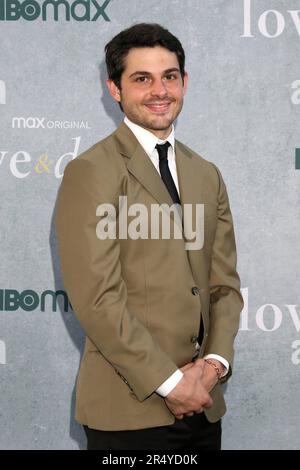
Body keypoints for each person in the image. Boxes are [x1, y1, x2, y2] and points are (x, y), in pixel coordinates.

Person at [55, 23, 244, 450]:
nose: (160, 90)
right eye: (142, 78)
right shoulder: (92, 171)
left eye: (170, 76)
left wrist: (212, 367)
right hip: (128, 414)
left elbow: (224, 287)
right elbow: (98, 298)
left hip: (203, 404)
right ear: (115, 89)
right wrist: (170, 382)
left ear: (185, 82)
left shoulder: (206, 174)